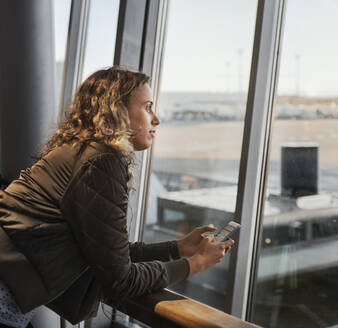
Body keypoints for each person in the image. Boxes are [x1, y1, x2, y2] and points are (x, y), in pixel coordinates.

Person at [0, 67, 234, 328]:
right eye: (147, 107)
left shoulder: (81, 151)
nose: (156, 119)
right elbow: (121, 279)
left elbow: (109, 255)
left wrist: (176, 249)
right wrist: (196, 263)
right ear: (117, 111)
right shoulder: (102, 161)